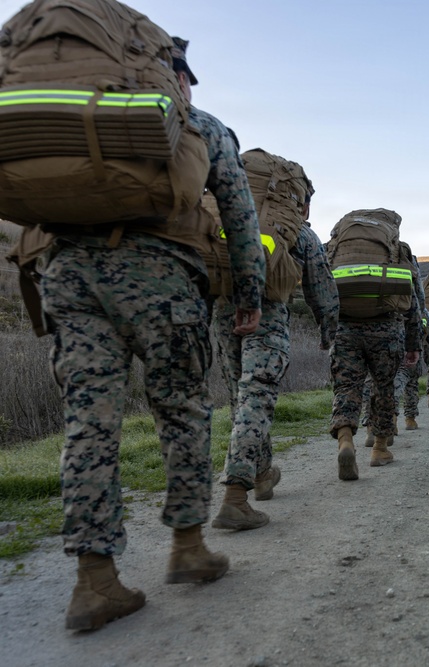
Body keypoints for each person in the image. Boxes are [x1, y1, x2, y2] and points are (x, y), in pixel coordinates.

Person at [34, 34, 265, 629]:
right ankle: (188, 546)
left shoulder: (60, 107)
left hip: (67, 274)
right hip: (160, 278)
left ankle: (95, 580)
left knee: (88, 422)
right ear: (176, 75)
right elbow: (239, 214)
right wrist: (249, 294)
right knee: (182, 410)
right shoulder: (196, 122)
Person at [211, 156, 338, 531]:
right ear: (302, 202)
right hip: (268, 319)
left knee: (241, 398)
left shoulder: (220, 220)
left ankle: (262, 474)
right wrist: (329, 332)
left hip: (222, 316)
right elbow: (323, 291)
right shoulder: (298, 231)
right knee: (257, 397)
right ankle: (235, 496)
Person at [328, 209, 421, 478]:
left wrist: (326, 331)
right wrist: (414, 343)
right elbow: (414, 301)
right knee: (384, 387)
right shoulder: (400, 250)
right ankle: (380, 449)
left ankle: (345, 439)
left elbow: (319, 288)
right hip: (387, 328)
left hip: (344, 328)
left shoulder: (333, 248)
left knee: (346, 386)